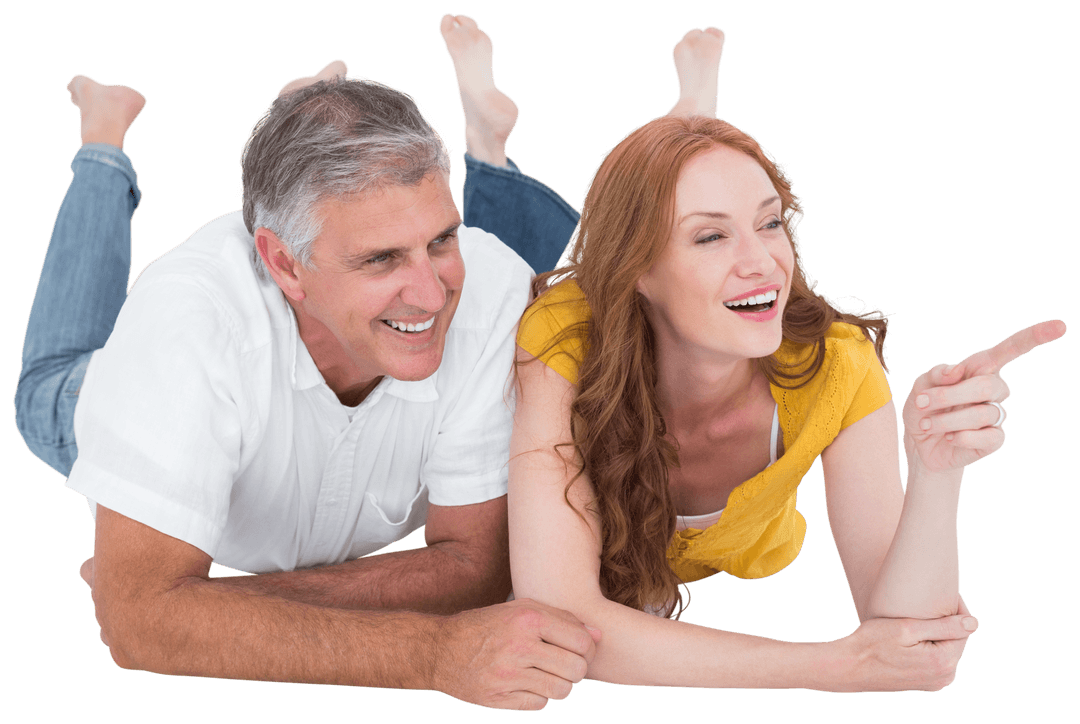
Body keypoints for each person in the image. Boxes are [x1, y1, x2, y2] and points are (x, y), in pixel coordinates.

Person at [11, 19, 603, 710]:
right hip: (111, 396)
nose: (432, 292)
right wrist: (436, 654)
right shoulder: (188, 324)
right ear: (284, 264)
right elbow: (138, 628)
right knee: (45, 387)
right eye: (381, 258)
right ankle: (103, 143)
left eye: (441, 239)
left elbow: (474, 569)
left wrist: (195, 607)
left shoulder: (494, 292)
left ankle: (308, 119)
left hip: (233, 391)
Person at [465, 26, 1066, 690]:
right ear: (639, 271)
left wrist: (936, 470)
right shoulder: (562, 334)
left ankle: (694, 121)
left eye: (771, 221)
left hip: (648, 304)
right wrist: (834, 665)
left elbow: (918, 648)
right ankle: (489, 145)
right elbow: (560, 621)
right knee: (507, 261)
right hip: (602, 305)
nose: (764, 264)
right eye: (711, 235)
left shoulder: (840, 368)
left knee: (676, 181)